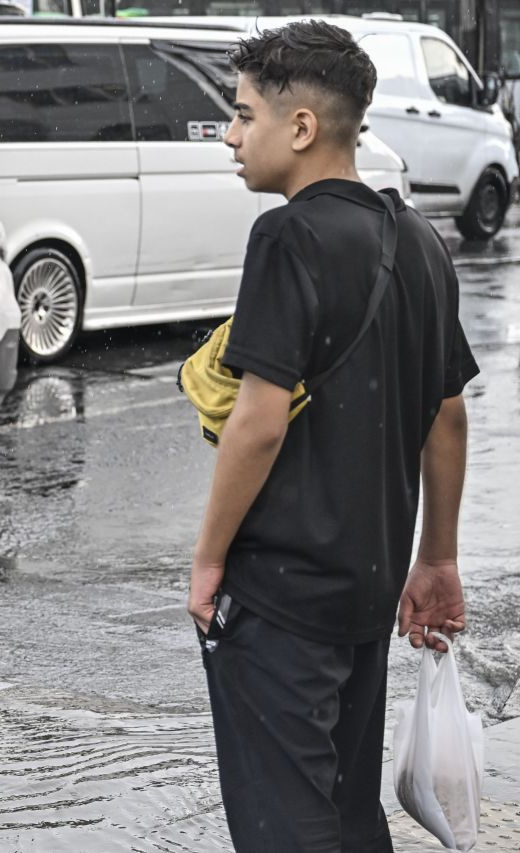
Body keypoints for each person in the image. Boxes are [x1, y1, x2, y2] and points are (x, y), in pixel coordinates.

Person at [188, 22, 478, 852]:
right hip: (366, 594)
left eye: (244, 116)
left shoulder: (287, 237)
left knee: (287, 825)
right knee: (351, 816)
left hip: (281, 596)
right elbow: (447, 414)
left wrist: (208, 560)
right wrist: (437, 559)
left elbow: (258, 419)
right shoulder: (420, 241)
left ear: (303, 128)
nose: (232, 138)